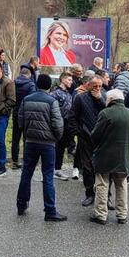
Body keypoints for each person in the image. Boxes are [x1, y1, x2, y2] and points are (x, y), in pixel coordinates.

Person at [14, 74, 66, 221]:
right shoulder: (51, 101)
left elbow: (20, 120)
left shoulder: (27, 99)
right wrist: (56, 137)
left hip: (30, 141)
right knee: (48, 176)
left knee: (26, 173)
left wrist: (27, 132)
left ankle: (21, 204)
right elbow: (57, 123)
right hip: (48, 143)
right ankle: (50, 210)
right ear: (49, 86)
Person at [89, 89, 129, 225]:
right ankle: (122, 215)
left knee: (102, 184)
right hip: (123, 156)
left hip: (105, 155)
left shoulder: (105, 113)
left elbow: (95, 135)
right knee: (121, 185)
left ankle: (101, 215)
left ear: (110, 100)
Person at [72, 76, 106, 207]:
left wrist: (100, 99)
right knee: (87, 167)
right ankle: (89, 193)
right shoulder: (80, 98)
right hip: (85, 137)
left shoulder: (104, 96)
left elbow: (108, 111)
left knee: (103, 167)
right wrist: (78, 132)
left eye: (99, 86)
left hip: (102, 137)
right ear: (88, 86)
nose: (97, 89)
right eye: (94, 86)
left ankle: (105, 195)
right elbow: (73, 116)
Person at [50, 73, 78, 181]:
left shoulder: (68, 94)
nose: (71, 82)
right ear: (63, 80)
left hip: (67, 124)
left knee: (61, 147)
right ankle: (54, 169)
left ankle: (57, 168)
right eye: (69, 80)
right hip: (59, 124)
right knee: (57, 147)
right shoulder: (55, 93)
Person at [11, 65, 37, 170]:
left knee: (15, 138)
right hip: (26, 114)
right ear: (29, 74)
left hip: (16, 112)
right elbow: (32, 99)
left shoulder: (13, 83)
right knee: (27, 139)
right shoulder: (31, 85)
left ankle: (14, 161)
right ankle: (26, 161)